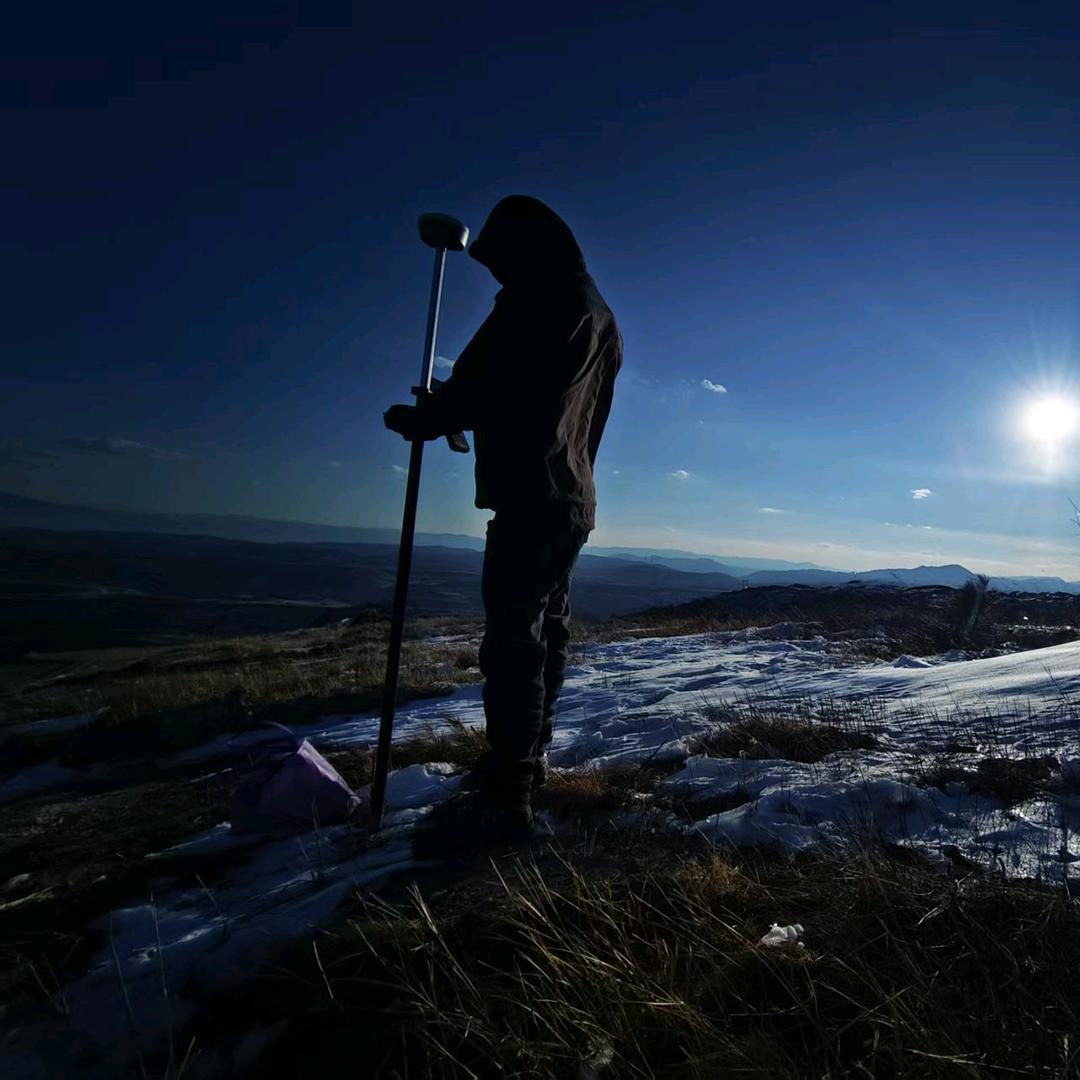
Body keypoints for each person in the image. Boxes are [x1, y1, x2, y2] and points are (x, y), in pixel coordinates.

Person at [384, 194, 622, 844]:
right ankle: (528, 758)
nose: (497, 277)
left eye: (501, 263)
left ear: (524, 250)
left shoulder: (540, 296)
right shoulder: (600, 314)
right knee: (545, 631)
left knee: (514, 640)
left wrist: (431, 418)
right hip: (573, 496)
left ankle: (509, 792)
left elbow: (504, 382)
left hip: (531, 492)